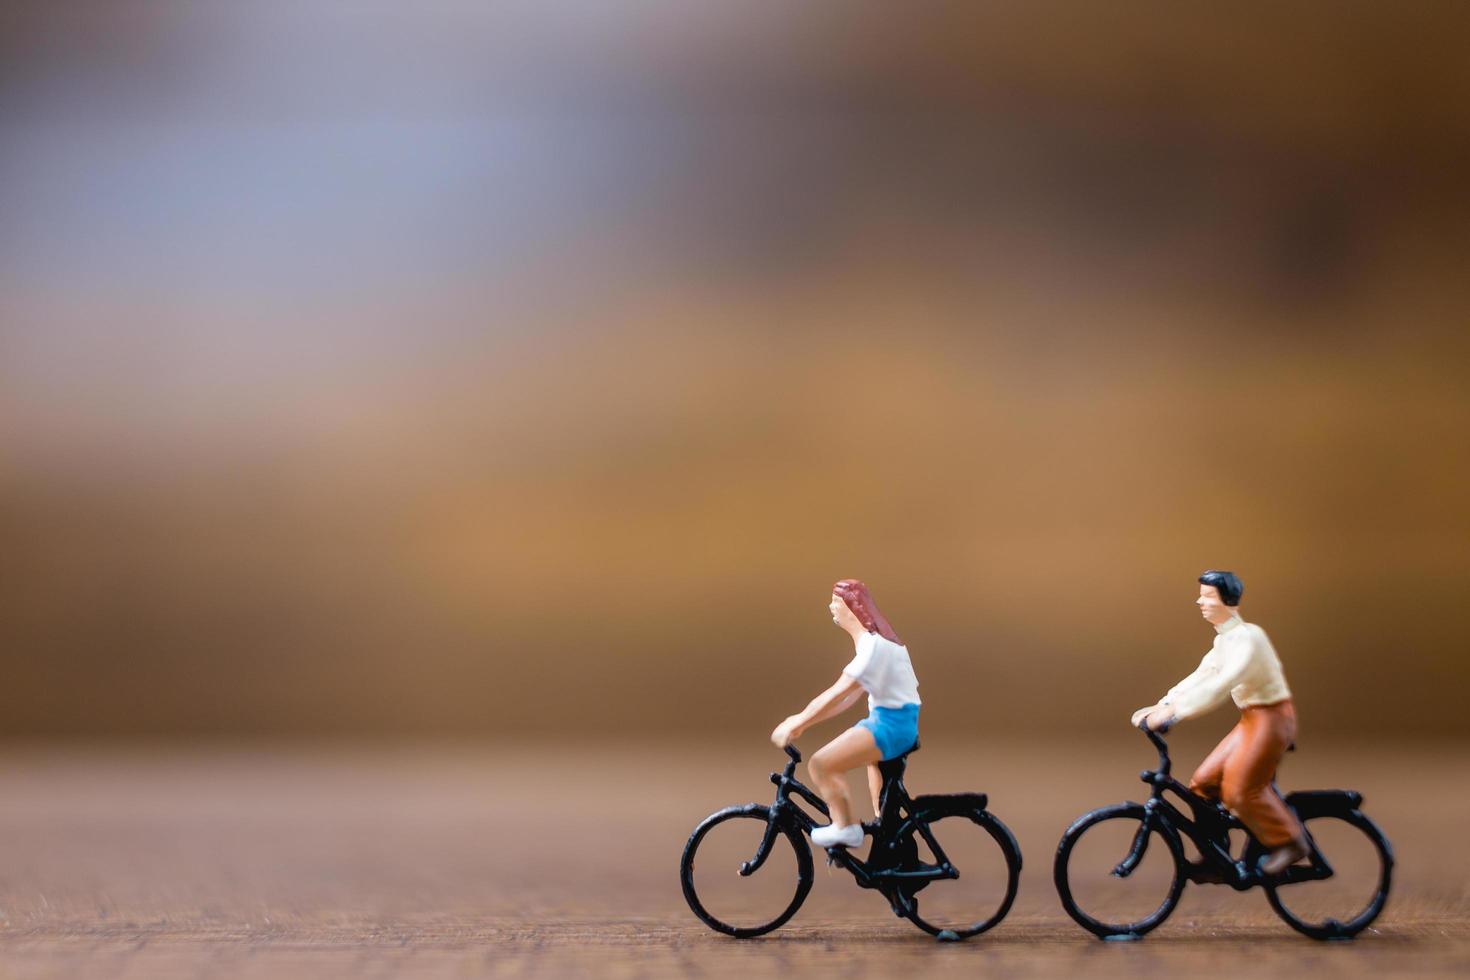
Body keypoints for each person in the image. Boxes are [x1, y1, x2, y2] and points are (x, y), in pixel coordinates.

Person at [1131, 570, 1309, 876]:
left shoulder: (1249, 638)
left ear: (1228, 600)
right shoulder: (1224, 640)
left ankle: (1290, 843)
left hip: (1272, 718)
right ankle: (1217, 857)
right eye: (1201, 594)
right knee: (1202, 785)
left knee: (1239, 791)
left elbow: (1223, 683)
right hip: (1251, 719)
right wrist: (1163, 704)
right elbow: (1203, 676)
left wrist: (1176, 713)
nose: (1200, 601)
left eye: (1208, 596)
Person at [770, 579, 921, 849]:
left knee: (821, 764)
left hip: (891, 725)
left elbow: (838, 693)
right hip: (891, 721)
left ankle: (846, 828)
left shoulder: (874, 649)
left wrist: (798, 721)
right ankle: (889, 841)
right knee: (883, 811)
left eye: (836, 602)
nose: (831, 607)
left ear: (853, 609)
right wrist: (805, 723)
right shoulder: (878, 644)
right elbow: (849, 699)